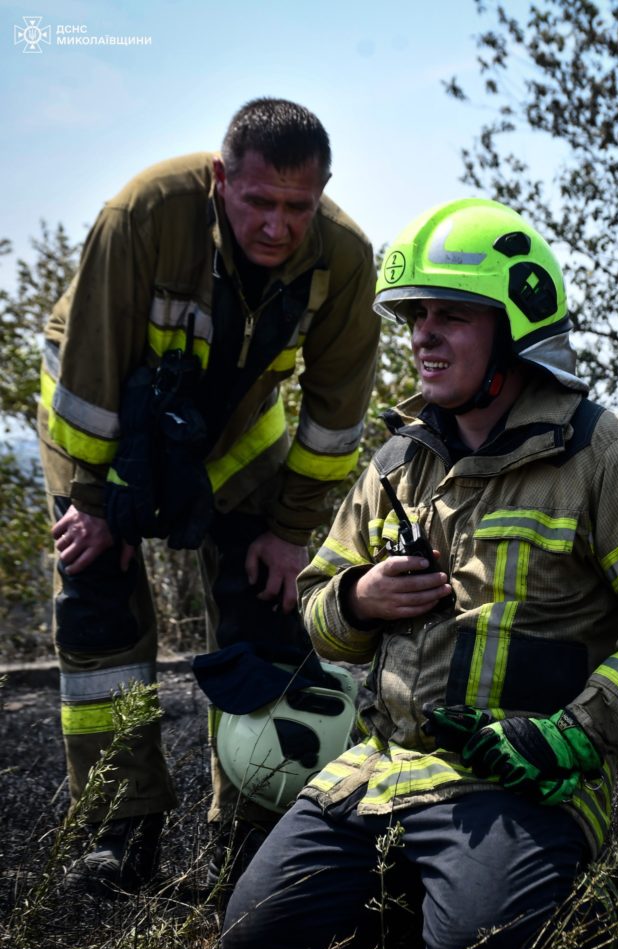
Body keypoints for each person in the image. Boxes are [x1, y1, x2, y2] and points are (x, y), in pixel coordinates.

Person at [219, 198, 618, 949]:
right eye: (415, 315)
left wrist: (570, 735)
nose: (422, 334)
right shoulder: (396, 460)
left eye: (450, 315)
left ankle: (586, 896)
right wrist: (359, 599)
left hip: (522, 780)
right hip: (378, 774)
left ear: (517, 328)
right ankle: (434, 893)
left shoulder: (601, 453)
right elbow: (316, 607)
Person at [37, 97, 380, 894]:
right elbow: (88, 373)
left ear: (323, 192)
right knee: (97, 600)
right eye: (259, 201)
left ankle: (254, 826)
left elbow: (336, 420)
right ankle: (120, 832)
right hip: (104, 419)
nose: (278, 225)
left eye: (299, 206)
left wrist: (291, 533)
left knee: (267, 599)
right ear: (222, 178)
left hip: (230, 428)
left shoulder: (345, 258)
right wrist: (93, 501)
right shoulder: (146, 211)